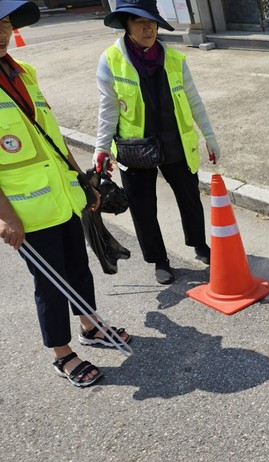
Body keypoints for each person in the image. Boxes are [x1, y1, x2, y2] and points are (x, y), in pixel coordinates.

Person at [0, 0, 130, 387]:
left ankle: (90, 324)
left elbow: (52, 138)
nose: (2, 32)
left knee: (77, 266)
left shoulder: (23, 73)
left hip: (62, 198)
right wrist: (6, 217)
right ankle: (62, 353)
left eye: (4, 23)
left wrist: (83, 182)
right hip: (28, 214)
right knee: (50, 282)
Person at [94, 0, 220, 285]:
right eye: (139, 22)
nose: (147, 28)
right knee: (143, 208)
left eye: (151, 22)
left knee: (189, 198)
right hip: (134, 148)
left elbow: (194, 100)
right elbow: (108, 108)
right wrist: (101, 148)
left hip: (175, 141)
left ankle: (199, 244)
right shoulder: (110, 60)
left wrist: (209, 137)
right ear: (126, 24)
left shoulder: (174, 59)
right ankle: (159, 260)